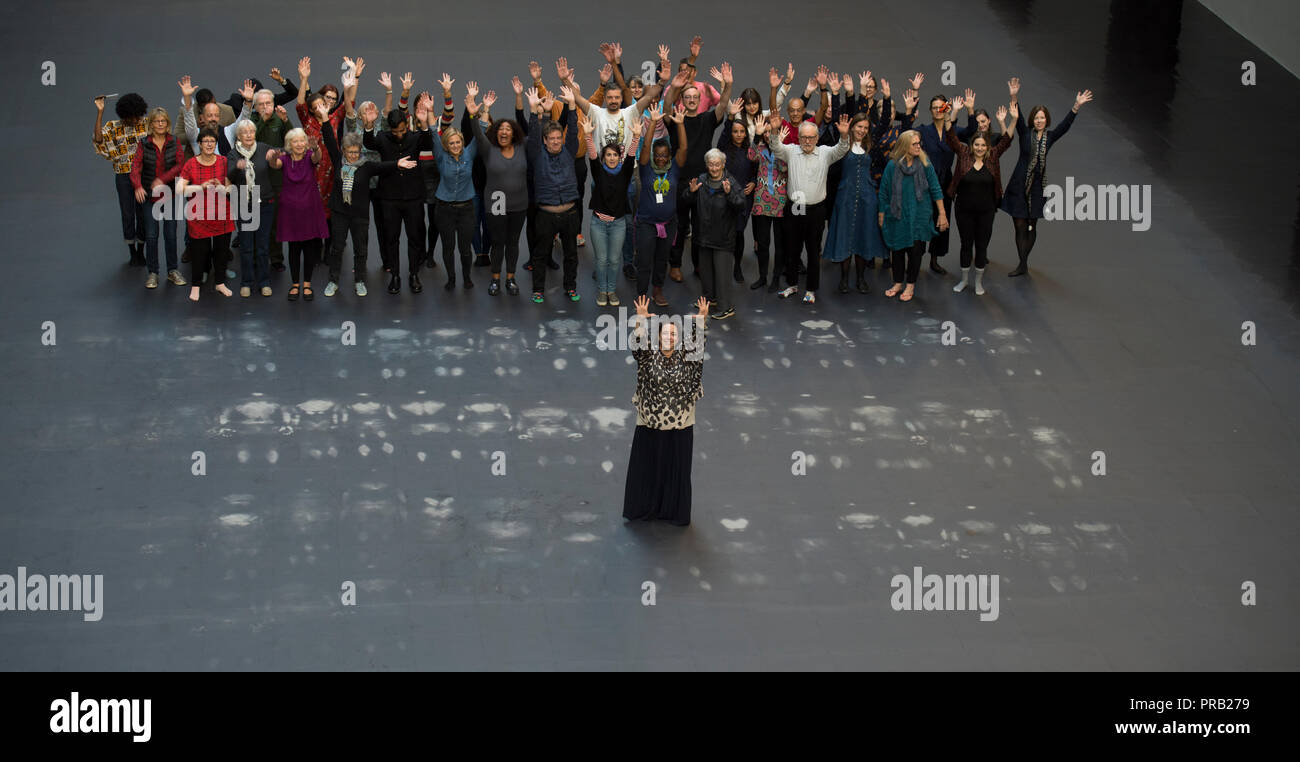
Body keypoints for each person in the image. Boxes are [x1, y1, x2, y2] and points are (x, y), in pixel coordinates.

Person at [622, 294, 710, 527]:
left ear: (679, 337)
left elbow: (699, 345)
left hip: (680, 423)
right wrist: (640, 320)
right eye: (665, 332)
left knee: (677, 469)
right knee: (648, 467)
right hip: (650, 421)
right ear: (658, 336)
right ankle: (644, 508)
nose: (669, 336)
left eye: (673, 333)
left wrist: (701, 320)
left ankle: (673, 511)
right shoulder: (648, 352)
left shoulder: (689, 356)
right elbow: (636, 345)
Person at [1000, 78, 1093, 276]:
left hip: (1036, 187)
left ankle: (1023, 262)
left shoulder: (1050, 137)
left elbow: (1065, 126)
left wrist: (1076, 106)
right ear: (1032, 120)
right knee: (1019, 225)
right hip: (1019, 183)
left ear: (1046, 120)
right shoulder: (1025, 133)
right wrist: (1014, 95)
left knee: (1032, 225)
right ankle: (1022, 262)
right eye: (1036, 117)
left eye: (1042, 118)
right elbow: (1017, 113)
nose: (1039, 120)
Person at [321, 123, 414, 296]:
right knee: (337, 248)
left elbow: (384, 166)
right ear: (344, 151)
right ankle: (333, 281)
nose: (353, 155)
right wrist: (326, 119)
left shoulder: (366, 166)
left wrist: (398, 164)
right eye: (349, 152)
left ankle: (360, 281)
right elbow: (329, 140)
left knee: (361, 249)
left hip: (359, 215)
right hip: (340, 213)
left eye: (356, 152)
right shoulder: (338, 161)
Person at [768, 115, 852, 303]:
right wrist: (774, 131)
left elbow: (842, 149)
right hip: (796, 206)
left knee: (814, 250)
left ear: (817, 138)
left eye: (811, 137)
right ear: (798, 137)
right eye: (804, 137)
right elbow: (775, 147)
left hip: (816, 209)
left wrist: (845, 135)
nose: (807, 141)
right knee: (792, 248)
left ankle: (811, 289)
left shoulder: (825, 153)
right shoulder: (791, 151)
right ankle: (792, 284)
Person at [665, 64, 726, 282]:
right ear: (682, 100)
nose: (691, 100)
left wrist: (726, 85)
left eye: (694, 97)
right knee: (680, 226)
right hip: (679, 181)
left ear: (699, 100)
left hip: (703, 183)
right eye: (687, 97)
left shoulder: (707, 120)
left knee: (701, 227)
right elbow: (666, 106)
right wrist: (674, 87)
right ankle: (675, 265)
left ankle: (699, 266)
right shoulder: (674, 119)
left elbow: (723, 106)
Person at [368, 93, 434, 295]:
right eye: (396, 131)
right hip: (389, 198)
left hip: (413, 197)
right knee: (391, 238)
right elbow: (368, 144)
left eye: (403, 130)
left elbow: (428, 144)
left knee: (415, 238)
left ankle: (414, 274)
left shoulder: (414, 137)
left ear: (407, 125)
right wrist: (369, 125)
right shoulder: (382, 138)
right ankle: (395, 275)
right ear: (390, 128)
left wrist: (424, 124)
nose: (399, 134)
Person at [945, 101, 1012, 295]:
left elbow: (1007, 139)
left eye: (983, 145)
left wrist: (1011, 119)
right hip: (964, 210)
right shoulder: (964, 153)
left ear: (987, 146)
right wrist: (953, 112)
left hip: (986, 211)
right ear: (972, 145)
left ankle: (979, 282)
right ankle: (965, 280)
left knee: (982, 246)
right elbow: (950, 136)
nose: (980, 148)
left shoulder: (992, 156)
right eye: (977, 144)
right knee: (966, 245)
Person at [467, 89, 529, 296]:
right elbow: (477, 133)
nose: (504, 132)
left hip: (519, 204)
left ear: (514, 133)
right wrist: (474, 114)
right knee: (498, 242)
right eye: (501, 129)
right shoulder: (488, 149)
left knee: (513, 242)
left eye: (508, 129)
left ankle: (510, 278)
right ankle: (495, 278)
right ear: (496, 132)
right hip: (497, 201)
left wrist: (539, 111)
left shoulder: (522, 147)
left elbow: (536, 133)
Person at [823, 111, 892, 294]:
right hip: (845, 196)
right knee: (845, 237)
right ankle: (844, 278)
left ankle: (861, 278)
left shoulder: (871, 145)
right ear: (852, 126)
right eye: (859, 126)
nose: (862, 130)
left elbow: (885, 122)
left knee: (862, 237)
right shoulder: (843, 144)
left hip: (867, 198)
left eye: (865, 128)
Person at [524, 86, 580, 303]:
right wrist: (533, 111)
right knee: (540, 254)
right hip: (545, 215)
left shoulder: (569, 150)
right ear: (545, 141)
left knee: (571, 254)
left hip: (570, 214)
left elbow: (573, 130)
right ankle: (538, 289)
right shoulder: (537, 155)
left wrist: (572, 105)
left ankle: (571, 287)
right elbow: (534, 133)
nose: (556, 141)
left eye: (558, 137)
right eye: (552, 138)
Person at [877, 130, 948, 302]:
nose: (919, 147)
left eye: (919, 143)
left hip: (919, 215)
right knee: (898, 249)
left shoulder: (925, 163)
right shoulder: (892, 166)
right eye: (914, 144)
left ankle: (910, 284)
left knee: (916, 251)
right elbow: (884, 191)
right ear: (904, 146)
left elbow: (935, 188)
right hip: (897, 214)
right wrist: (881, 214)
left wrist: (942, 213)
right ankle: (897, 282)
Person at [422, 80, 479, 291]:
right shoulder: (440, 155)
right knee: (448, 247)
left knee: (465, 249)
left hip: (466, 209)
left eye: (458, 142)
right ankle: (451, 279)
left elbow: (480, 133)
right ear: (446, 145)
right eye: (451, 143)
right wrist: (429, 111)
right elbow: (431, 131)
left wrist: (474, 107)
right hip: (444, 208)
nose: (455, 145)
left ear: (462, 142)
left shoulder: (469, 153)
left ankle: (466, 277)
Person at [584, 112, 643, 306]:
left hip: (618, 224)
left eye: (615, 155)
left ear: (620, 157)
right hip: (598, 224)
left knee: (615, 260)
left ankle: (611, 290)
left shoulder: (625, 172)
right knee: (601, 260)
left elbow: (632, 154)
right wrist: (587, 135)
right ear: (604, 158)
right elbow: (592, 155)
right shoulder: (598, 172)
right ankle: (602, 291)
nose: (611, 158)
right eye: (608, 155)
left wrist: (636, 136)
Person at [681, 148, 746, 320]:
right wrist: (691, 192)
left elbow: (741, 204)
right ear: (707, 165)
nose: (714, 168)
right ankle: (709, 300)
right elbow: (686, 200)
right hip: (704, 236)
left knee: (722, 275)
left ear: (723, 164)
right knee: (707, 274)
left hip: (723, 238)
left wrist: (729, 193)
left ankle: (726, 307)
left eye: (717, 164)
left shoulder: (730, 182)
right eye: (711, 164)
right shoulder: (701, 181)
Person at [635, 104, 688, 307]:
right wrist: (654, 123)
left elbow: (683, 148)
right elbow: (646, 146)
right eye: (658, 155)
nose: (660, 158)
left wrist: (681, 124)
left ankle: (657, 291)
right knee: (645, 261)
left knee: (661, 260)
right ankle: (641, 295)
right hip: (647, 224)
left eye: (664, 155)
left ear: (669, 155)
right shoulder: (646, 168)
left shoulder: (674, 168)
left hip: (668, 224)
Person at [268, 128, 329, 300]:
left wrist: (316, 148)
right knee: (294, 247)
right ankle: (295, 284)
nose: (300, 144)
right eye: (295, 141)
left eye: (302, 140)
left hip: (309, 208)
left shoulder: (310, 154)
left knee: (309, 247)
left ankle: (307, 284)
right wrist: (273, 156)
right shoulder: (284, 159)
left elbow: (317, 158)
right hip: (290, 210)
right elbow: (274, 164)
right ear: (289, 144)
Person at [176, 127, 235, 302]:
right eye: (205, 141)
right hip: (199, 216)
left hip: (221, 214)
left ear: (215, 144)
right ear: (200, 144)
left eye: (212, 141)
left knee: (221, 251)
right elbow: (180, 189)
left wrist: (221, 187)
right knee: (199, 253)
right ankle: (195, 286)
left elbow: (231, 188)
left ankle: (220, 283)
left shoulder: (224, 161)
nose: (209, 144)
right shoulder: (191, 164)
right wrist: (200, 187)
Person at [129, 106, 186, 288]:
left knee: (170, 234)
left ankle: (172, 271)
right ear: (151, 124)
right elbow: (135, 168)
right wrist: (137, 186)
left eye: (163, 121)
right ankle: (153, 273)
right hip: (149, 197)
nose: (160, 124)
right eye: (156, 121)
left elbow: (180, 165)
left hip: (169, 194)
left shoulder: (174, 141)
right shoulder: (143, 143)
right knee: (152, 236)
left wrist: (162, 179)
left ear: (167, 123)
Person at [93, 92, 149, 265]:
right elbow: (99, 140)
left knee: (143, 214)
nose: (134, 120)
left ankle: (141, 250)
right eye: (130, 117)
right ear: (123, 115)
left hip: (143, 176)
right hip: (123, 175)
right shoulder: (113, 126)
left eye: (136, 116)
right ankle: (132, 251)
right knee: (127, 213)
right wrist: (100, 112)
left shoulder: (146, 124)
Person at [226, 119, 276, 297]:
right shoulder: (233, 154)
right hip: (244, 203)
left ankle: (264, 282)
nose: (248, 135)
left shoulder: (263, 148)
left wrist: (275, 155)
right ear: (239, 136)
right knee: (246, 246)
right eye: (244, 132)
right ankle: (246, 282)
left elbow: (281, 153)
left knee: (262, 246)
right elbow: (229, 175)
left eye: (251, 131)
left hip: (264, 202)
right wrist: (237, 167)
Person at [748, 114, 789, 292]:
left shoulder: (787, 149)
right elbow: (750, 156)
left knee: (780, 244)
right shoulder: (760, 147)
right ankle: (762, 277)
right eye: (764, 132)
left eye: (769, 132)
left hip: (781, 202)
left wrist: (778, 145)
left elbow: (784, 168)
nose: (766, 135)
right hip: (761, 201)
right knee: (763, 243)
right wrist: (756, 136)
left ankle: (776, 278)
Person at [917, 89, 956, 275]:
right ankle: (917, 255)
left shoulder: (953, 132)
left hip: (946, 183)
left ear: (946, 108)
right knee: (923, 219)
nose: (938, 110)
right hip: (925, 182)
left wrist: (969, 111)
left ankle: (934, 259)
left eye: (941, 107)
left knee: (942, 221)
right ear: (931, 111)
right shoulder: (924, 130)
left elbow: (973, 131)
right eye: (934, 108)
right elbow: (907, 131)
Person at [716, 115, 756, 284]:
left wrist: (753, 182)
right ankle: (722, 266)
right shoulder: (724, 149)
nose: (739, 135)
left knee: (739, 232)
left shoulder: (750, 151)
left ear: (746, 134)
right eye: (735, 132)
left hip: (744, 198)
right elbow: (724, 134)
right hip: (726, 196)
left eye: (742, 132)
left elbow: (755, 169)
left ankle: (737, 265)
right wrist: (730, 117)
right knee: (725, 232)